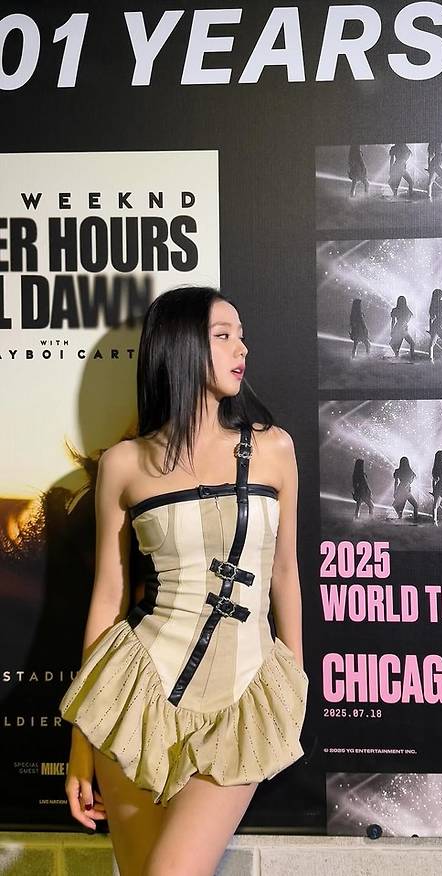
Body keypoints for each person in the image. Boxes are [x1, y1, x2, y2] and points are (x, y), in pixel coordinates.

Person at [58, 287, 308, 876]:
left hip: (241, 700)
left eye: (240, 335)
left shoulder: (273, 449)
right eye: (223, 336)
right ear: (180, 347)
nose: (241, 349)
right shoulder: (125, 464)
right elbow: (109, 596)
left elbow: (285, 574)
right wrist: (80, 741)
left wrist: (294, 681)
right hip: (134, 696)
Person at [392, 456, 419, 523]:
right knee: (415, 505)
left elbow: (396, 482)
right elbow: (415, 477)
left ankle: (401, 517)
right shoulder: (409, 471)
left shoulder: (398, 471)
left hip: (401, 489)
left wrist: (395, 491)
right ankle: (415, 520)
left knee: (400, 507)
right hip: (406, 489)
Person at [390, 295, 416, 360]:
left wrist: (392, 330)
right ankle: (411, 357)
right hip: (402, 328)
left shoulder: (396, 310)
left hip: (399, 327)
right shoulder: (406, 310)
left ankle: (397, 355)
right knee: (412, 343)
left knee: (395, 345)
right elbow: (411, 316)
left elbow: (393, 321)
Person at [428, 288, 442, 361]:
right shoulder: (441, 302)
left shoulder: (432, 305)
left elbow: (431, 318)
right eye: (441, 294)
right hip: (439, 324)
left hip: (434, 324)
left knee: (432, 344)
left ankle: (430, 359)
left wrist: (430, 328)